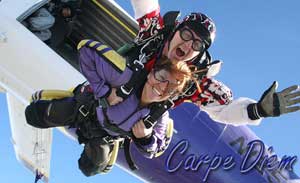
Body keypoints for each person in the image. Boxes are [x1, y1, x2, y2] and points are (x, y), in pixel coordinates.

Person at [113, 0, 300, 126]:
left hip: (137, 119)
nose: (187, 45)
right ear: (175, 31)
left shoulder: (194, 81)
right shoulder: (154, 34)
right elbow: (145, 5)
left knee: (97, 159)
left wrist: (256, 110)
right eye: (187, 35)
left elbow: (223, 109)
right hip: (112, 89)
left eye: (197, 44)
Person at [24, 40, 195, 176]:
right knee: (34, 115)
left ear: (171, 96)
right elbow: (85, 50)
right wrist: (104, 91)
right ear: (151, 73)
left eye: (171, 88)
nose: (162, 86)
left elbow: (154, 149)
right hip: (85, 109)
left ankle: (92, 151)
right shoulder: (126, 79)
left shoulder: (158, 115)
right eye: (162, 77)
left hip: (105, 134)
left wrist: (145, 138)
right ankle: (57, 106)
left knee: (91, 168)